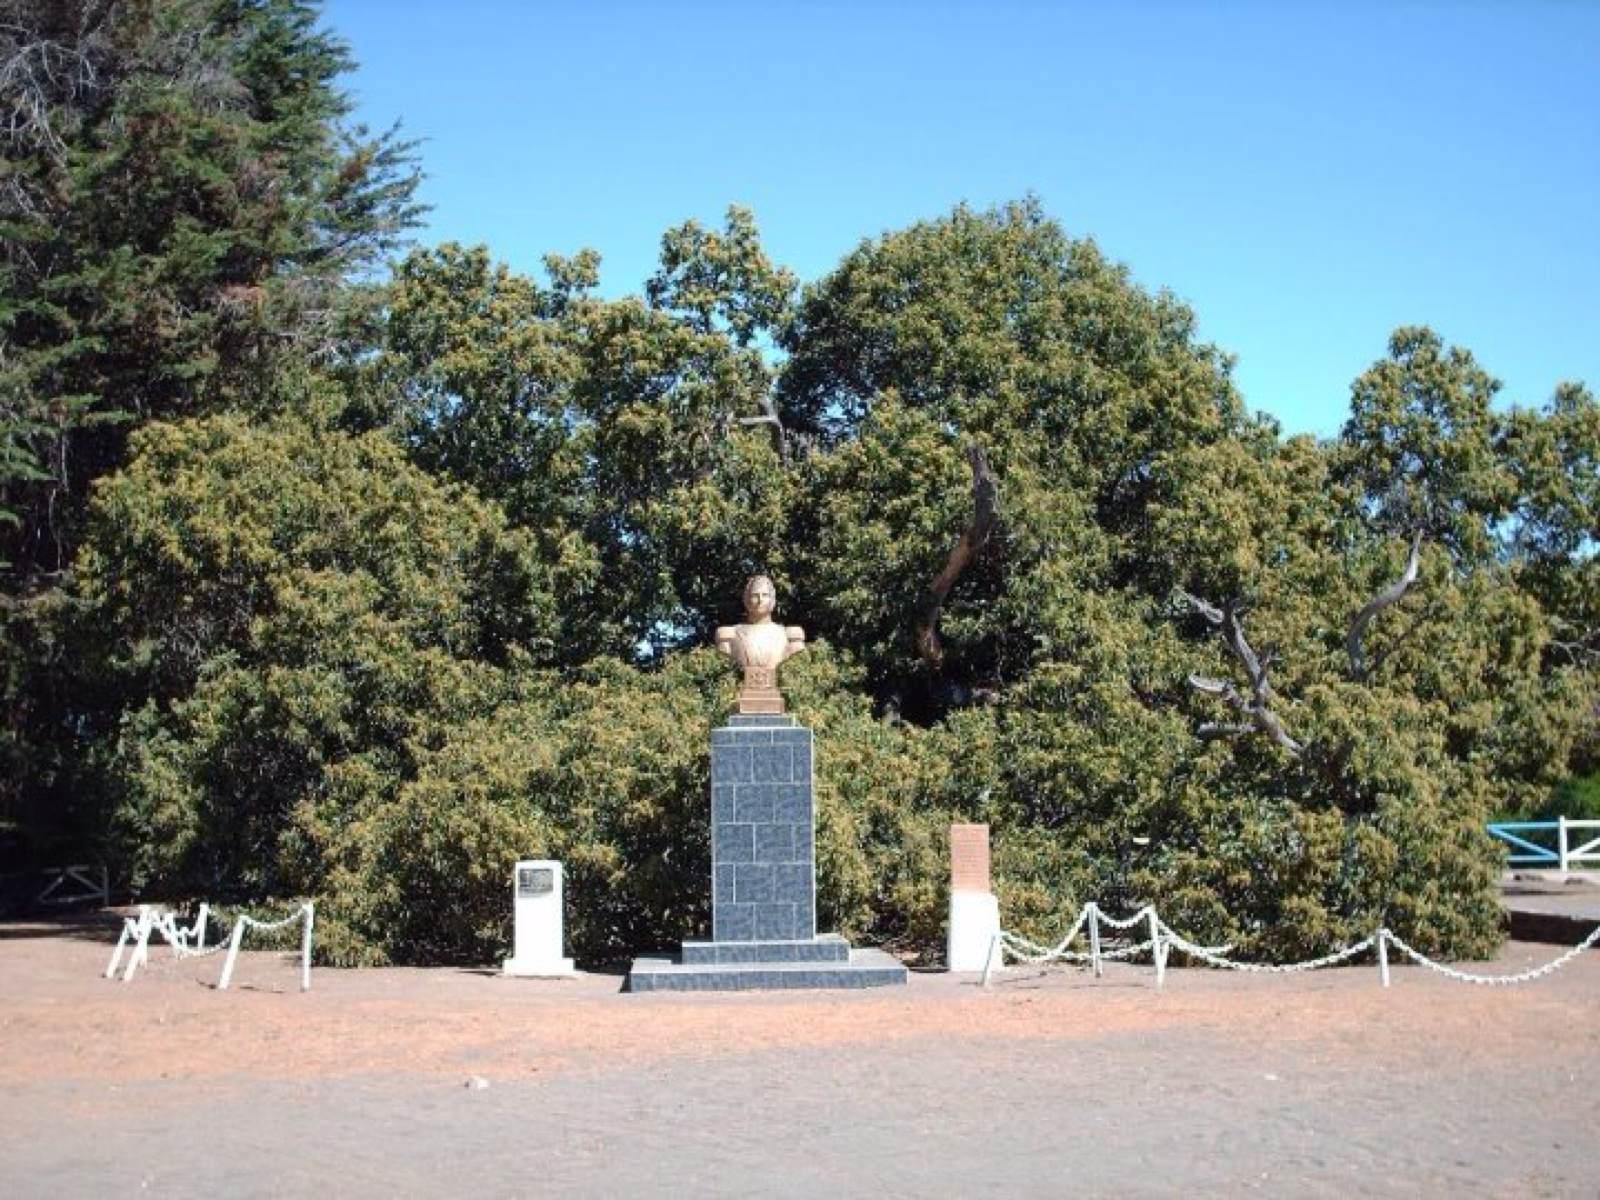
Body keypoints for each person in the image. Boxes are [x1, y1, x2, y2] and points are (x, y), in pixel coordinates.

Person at [715, 575, 805, 712]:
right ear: (746, 600)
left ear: (772, 600)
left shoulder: (789, 635)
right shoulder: (729, 635)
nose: (760, 600)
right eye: (755, 595)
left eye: (765, 595)